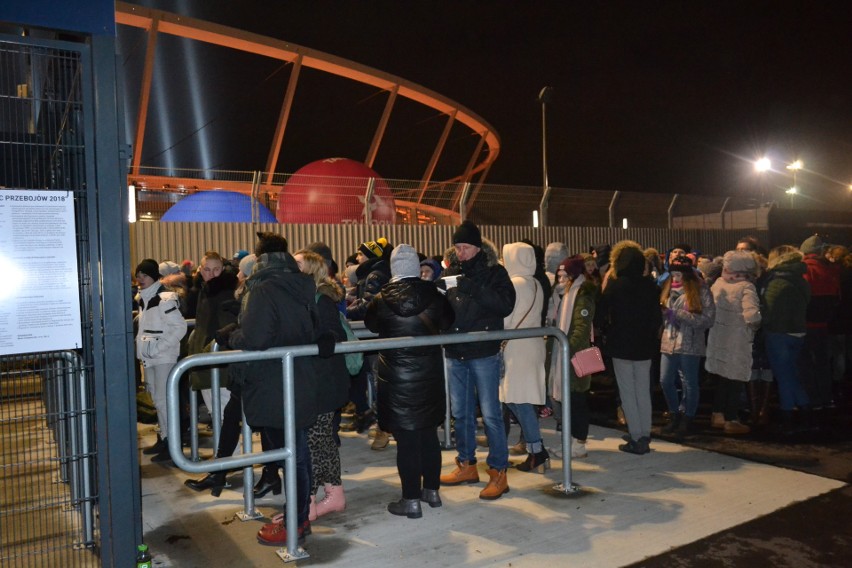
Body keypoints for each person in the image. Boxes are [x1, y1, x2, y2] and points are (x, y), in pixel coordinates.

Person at [215, 232, 321, 546]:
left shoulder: (263, 288)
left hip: (271, 381)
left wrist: (231, 337)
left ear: (260, 259)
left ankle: (297, 523)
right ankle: (298, 515)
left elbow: (257, 338)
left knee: (292, 455)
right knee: (297, 453)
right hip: (298, 376)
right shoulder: (302, 283)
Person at [365, 244, 453, 519]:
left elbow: (371, 325)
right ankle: (432, 492)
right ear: (416, 267)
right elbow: (449, 322)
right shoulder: (436, 294)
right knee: (428, 434)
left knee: (406, 442)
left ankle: (410, 499)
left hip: (396, 380)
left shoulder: (381, 298)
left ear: (394, 268)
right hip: (429, 376)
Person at [439, 221, 516, 500]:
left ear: (478, 247)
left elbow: (505, 304)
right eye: (458, 247)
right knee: (461, 413)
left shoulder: (495, 273)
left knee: (491, 414)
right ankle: (467, 464)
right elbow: (444, 310)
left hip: (484, 351)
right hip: (455, 351)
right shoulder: (450, 272)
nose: (461, 253)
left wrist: (472, 288)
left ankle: (498, 471)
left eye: (466, 247)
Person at [293, 249, 350, 520]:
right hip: (317, 380)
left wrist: (320, 338)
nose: (291, 267)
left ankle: (310, 503)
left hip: (323, 382)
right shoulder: (305, 298)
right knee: (322, 441)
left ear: (311, 270)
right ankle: (333, 495)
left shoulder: (321, 299)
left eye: (297, 264)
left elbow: (332, 334)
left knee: (315, 442)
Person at [595, 240, 662, 455]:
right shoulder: (650, 285)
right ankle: (644, 432)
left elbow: (601, 314)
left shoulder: (616, 284)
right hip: (644, 345)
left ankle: (636, 437)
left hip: (621, 344)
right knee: (643, 390)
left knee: (627, 392)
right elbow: (656, 317)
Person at [499, 242, 547, 472]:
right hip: (533, 346)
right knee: (518, 398)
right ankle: (536, 448)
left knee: (518, 400)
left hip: (516, 349)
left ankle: (537, 450)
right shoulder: (536, 283)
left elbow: (507, 319)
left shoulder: (514, 284)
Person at [135, 259, 188, 463]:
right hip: (151, 357)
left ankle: (172, 444)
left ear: (154, 277)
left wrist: (158, 348)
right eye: (138, 276)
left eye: (144, 276)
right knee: (158, 400)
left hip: (163, 357)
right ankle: (165, 438)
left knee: (165, 402)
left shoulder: (163, 299)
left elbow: (179, 327)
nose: (140, 280)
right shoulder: (144, 298)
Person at [705, 250, 762, 435]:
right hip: (737, 340)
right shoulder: (746, 286)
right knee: (735, 379)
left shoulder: (719, 283)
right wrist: (755, 325)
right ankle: (732, 419)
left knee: (722, 378)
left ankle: (717, 415)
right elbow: (752, 315)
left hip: (718, 337)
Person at [658, 255, 715, 435]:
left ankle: (688, 417)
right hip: (669, 340)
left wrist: (679, 315)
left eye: (679, 274)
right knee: (665, 380)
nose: (675, 277)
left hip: (690, 342)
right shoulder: (666, 290)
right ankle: (675, 413)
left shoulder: (701, 290)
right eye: (673, 274)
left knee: (689, 382)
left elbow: (708, 319)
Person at [550, 255, 597, 459]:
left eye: (565, 275)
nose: (561, 279)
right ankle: (571, 441)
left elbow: (581, 327)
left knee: (577, 401)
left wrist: (566, 347)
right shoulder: (568, 294)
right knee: (570, 401)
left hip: (575, 358)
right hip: (566, 355)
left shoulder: (582, 294)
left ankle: (579, 443)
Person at [761, 245, 812, 434]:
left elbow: (769, 311)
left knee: (783, 377)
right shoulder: (800, 279)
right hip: (798, 332)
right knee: (790, 375)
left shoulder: (776, 281)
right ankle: (806, 413)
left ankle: (787, 418)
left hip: (779, 333)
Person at [346, 237, 393, 445]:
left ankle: (382, 425)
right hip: (378, 332)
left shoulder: (375, 274)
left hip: (377, 334)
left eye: (361, 253)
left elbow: (368, 306)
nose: (357, 257)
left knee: (377, 381)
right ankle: (379, 422)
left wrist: (345, 311)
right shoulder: (374, 272)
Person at [186, 252, 239, 426]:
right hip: (207, 360)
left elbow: (225, 330)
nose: (212, 274)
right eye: (207, 269)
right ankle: (226, 452)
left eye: (216, 269)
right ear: (200, 270)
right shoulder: (204, 291)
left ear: (222, 269)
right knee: (218, 415)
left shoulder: (223, 293)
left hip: (217, 363)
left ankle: (229, 453)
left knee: (222, 416)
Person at [799, 235, 841, 410]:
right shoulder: (831, 270)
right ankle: (827, 397)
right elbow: (838, 297)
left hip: (805, 324)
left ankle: (812, 399)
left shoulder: (804, 269)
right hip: (823, 324)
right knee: (823, 363)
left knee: (806, 363)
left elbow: (802, 298)